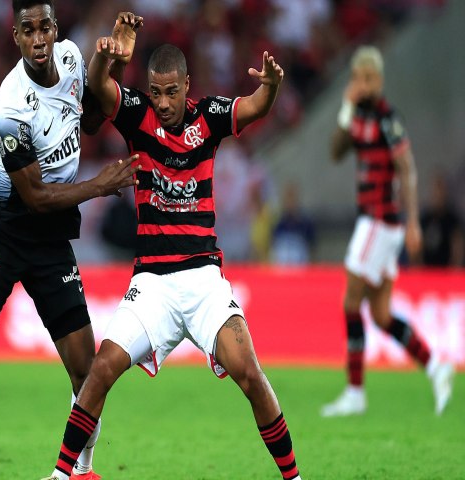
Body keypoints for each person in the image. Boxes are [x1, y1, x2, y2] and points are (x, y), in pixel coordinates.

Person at [41, 30, 302, 480]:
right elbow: (101, 91)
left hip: (203, 281)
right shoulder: (138, 115)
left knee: (250, 374)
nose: (162, 103)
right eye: (156, 92)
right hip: (153, 285)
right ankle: (63, 475)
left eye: (171, 92)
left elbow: (255, 105)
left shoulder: (211, 118)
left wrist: (273, 86)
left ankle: (294, 478)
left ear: (187, 85)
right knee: (100, 369)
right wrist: (103, 60)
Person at [0, 3, 142, 479]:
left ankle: (82, 469)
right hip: (10, 226)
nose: (38, 38)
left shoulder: (75, 58)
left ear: (55, 30)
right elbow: (35, 197)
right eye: (27, 30)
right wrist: (99, 186)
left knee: (87, 371)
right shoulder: (9, 107)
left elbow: (93, 121)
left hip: (52, 240)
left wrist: (112, 64)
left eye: (45, 27)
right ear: (15, 37)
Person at [321, 45, 455, 417]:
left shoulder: (387, 118)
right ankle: (436, 365)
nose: (361, 85)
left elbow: (407, 168)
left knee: (350, 302)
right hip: (375, 223)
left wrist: (413, 220)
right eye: (356, 78)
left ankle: (355, 392)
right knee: (379, 314)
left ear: (378, 79)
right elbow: (335, 151)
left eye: (367, 78)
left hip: (380, 220)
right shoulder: (360, 115)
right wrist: (346, 108)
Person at [420, 172, 464, 267]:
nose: (437, 194)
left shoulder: (452, 219)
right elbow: (417, 248)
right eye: (435, 190)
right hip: (426, 272)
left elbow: (458, 249)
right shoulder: (425, 218)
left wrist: (454, 271)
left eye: (440, 189)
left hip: (446, 273)